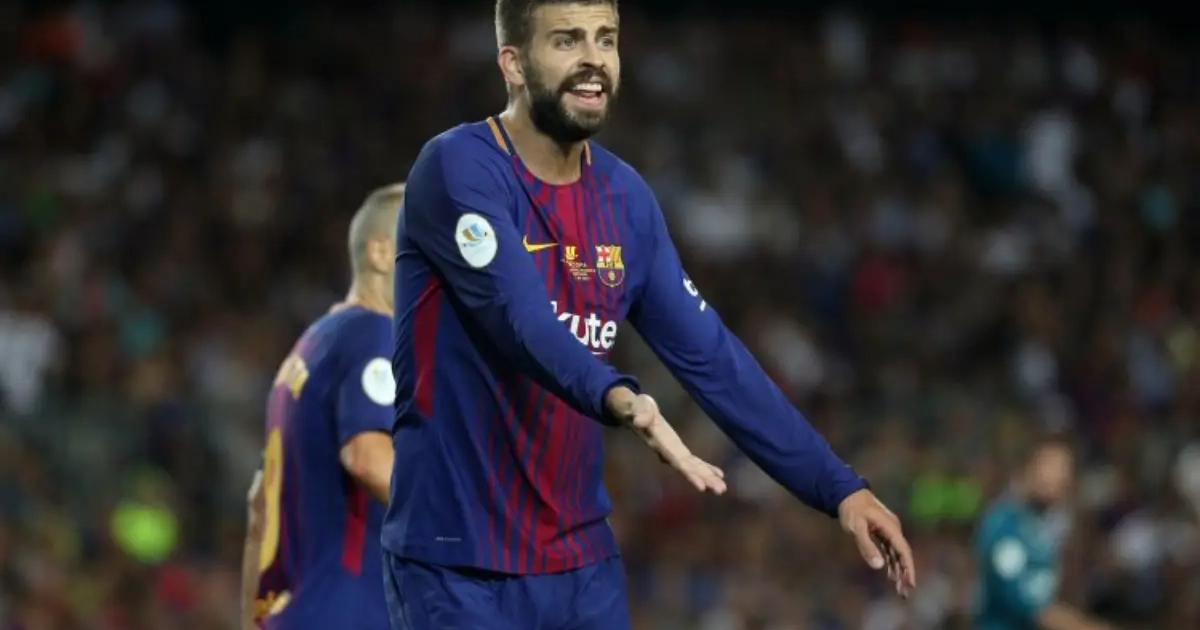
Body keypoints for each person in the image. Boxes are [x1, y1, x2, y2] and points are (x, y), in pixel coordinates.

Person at [385, 1, 917, 628]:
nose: (593, 59)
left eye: (605, 39)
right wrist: (622, 399)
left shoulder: (625, 199)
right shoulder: (458, 168)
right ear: (514, 64)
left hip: (581, 567)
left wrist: (841, 488)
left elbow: (713, 360)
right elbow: (521, 321)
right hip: (457, 564)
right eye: (567, 41)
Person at [240, 184, 406, 630]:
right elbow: (369, 458)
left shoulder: (308, 350)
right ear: (380, 253)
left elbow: (258, 507)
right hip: (349, 613)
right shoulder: (374, 333)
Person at [974, 436, 1116, 630]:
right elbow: (1031, 606)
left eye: (1066, 470)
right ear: (1029, 468)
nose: (1062, 478)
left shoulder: (1041, 526)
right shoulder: (1004, 525)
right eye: (1053, 467)